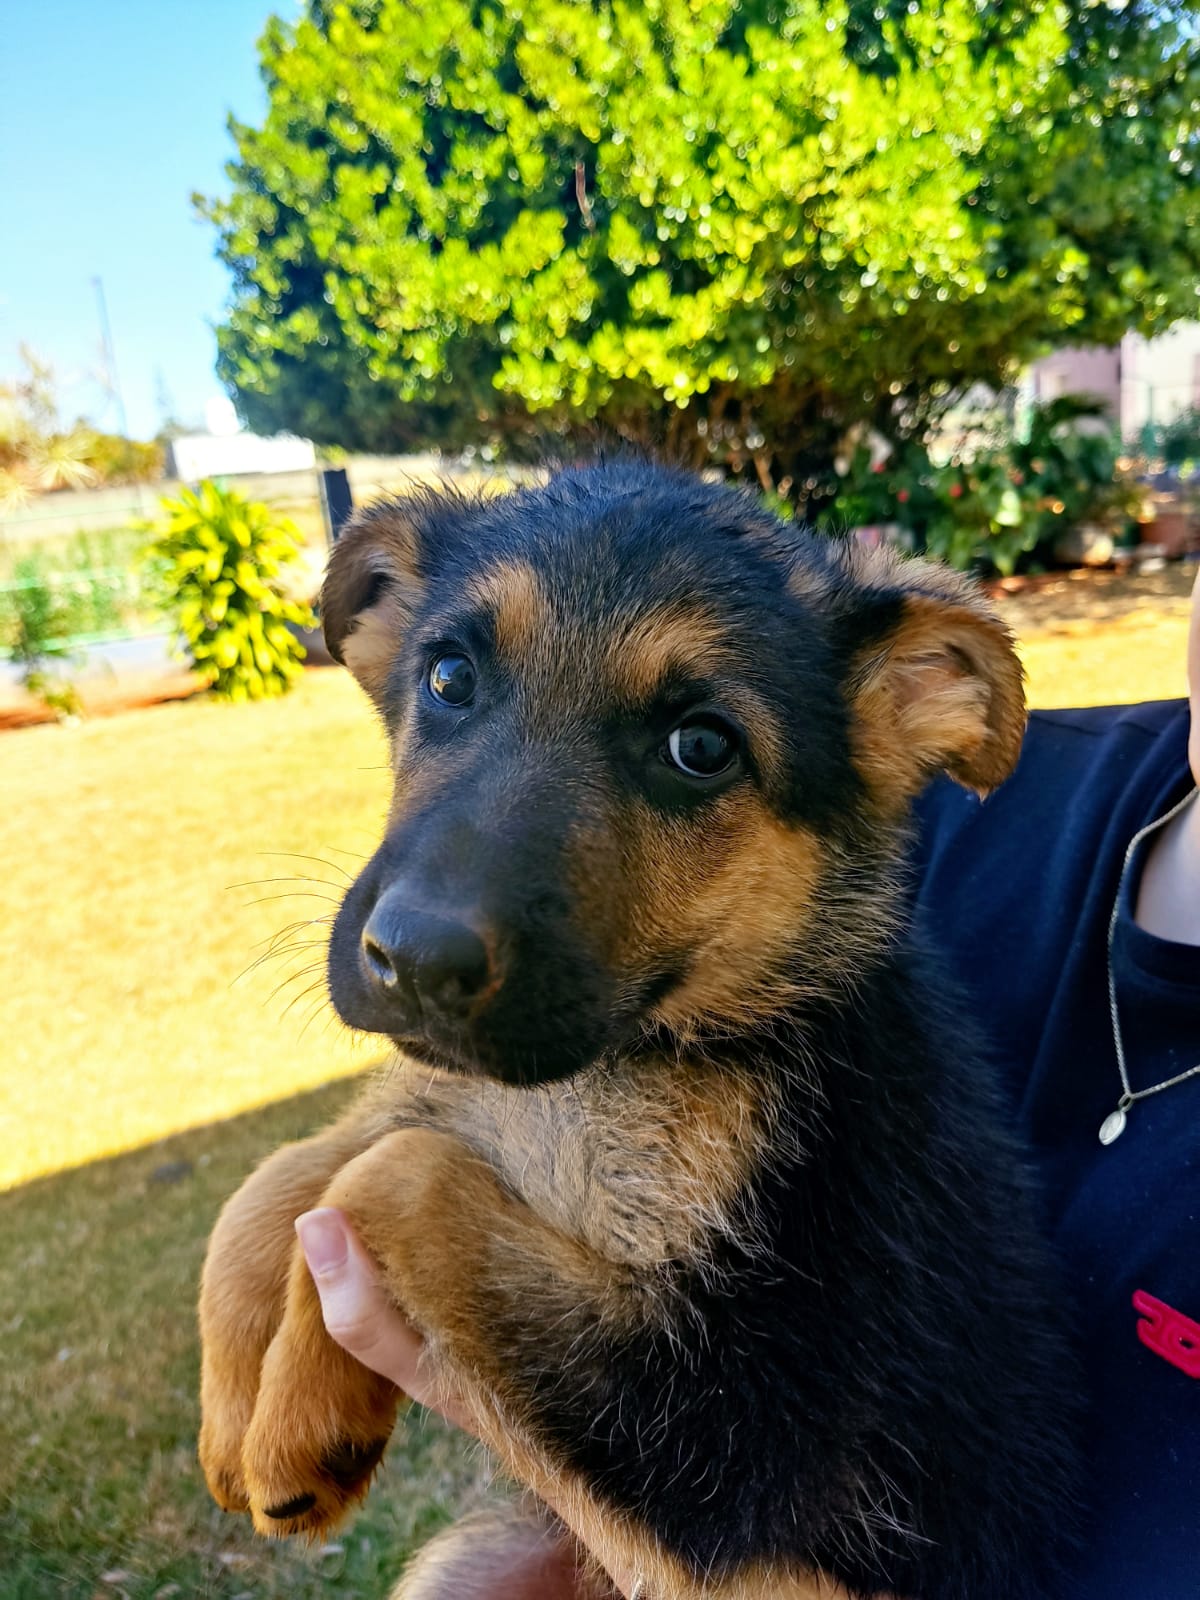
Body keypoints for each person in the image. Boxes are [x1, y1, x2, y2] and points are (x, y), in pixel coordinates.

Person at [296, 566, 1200, 1600]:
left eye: (698, 747)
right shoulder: (981, 811)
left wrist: (411, 1208)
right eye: (453, 678)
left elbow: (749, 1442)